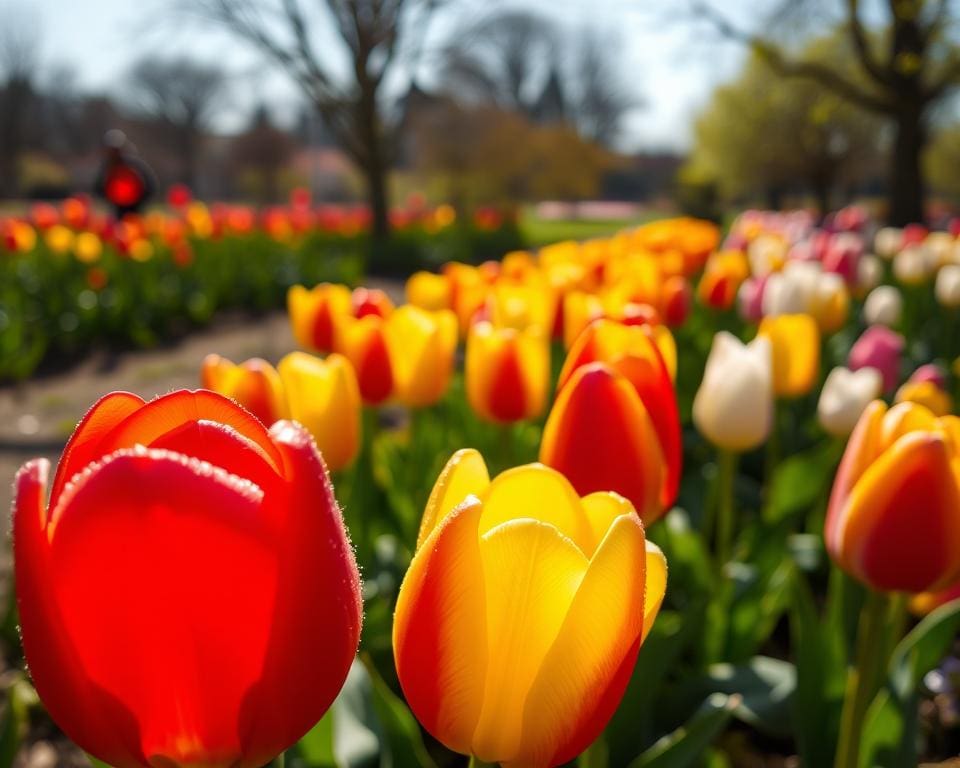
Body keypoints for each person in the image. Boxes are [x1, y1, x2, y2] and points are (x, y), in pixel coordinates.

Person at [94, 129, 156, 220]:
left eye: (117, 150)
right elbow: (98, 188)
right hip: (117, 208)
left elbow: (150, 185)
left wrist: (139, 199)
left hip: (135, 207)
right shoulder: (107, 167)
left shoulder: (134, 166)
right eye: (111, 150)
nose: (114, 153)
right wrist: (112, 197)